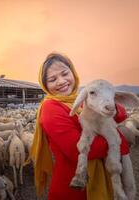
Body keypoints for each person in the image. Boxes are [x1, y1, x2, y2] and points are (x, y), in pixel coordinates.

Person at [30, 53, 129, 200]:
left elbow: (119, 114)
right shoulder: (51, 108)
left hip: (94, 180)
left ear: (73, 72)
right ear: (45, 85)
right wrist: (119, 138)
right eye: (52, 79)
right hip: (73, 189)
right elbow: (75, 150)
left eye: (65, 73)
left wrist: (109, 106)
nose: (61, 81)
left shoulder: (79, 99)